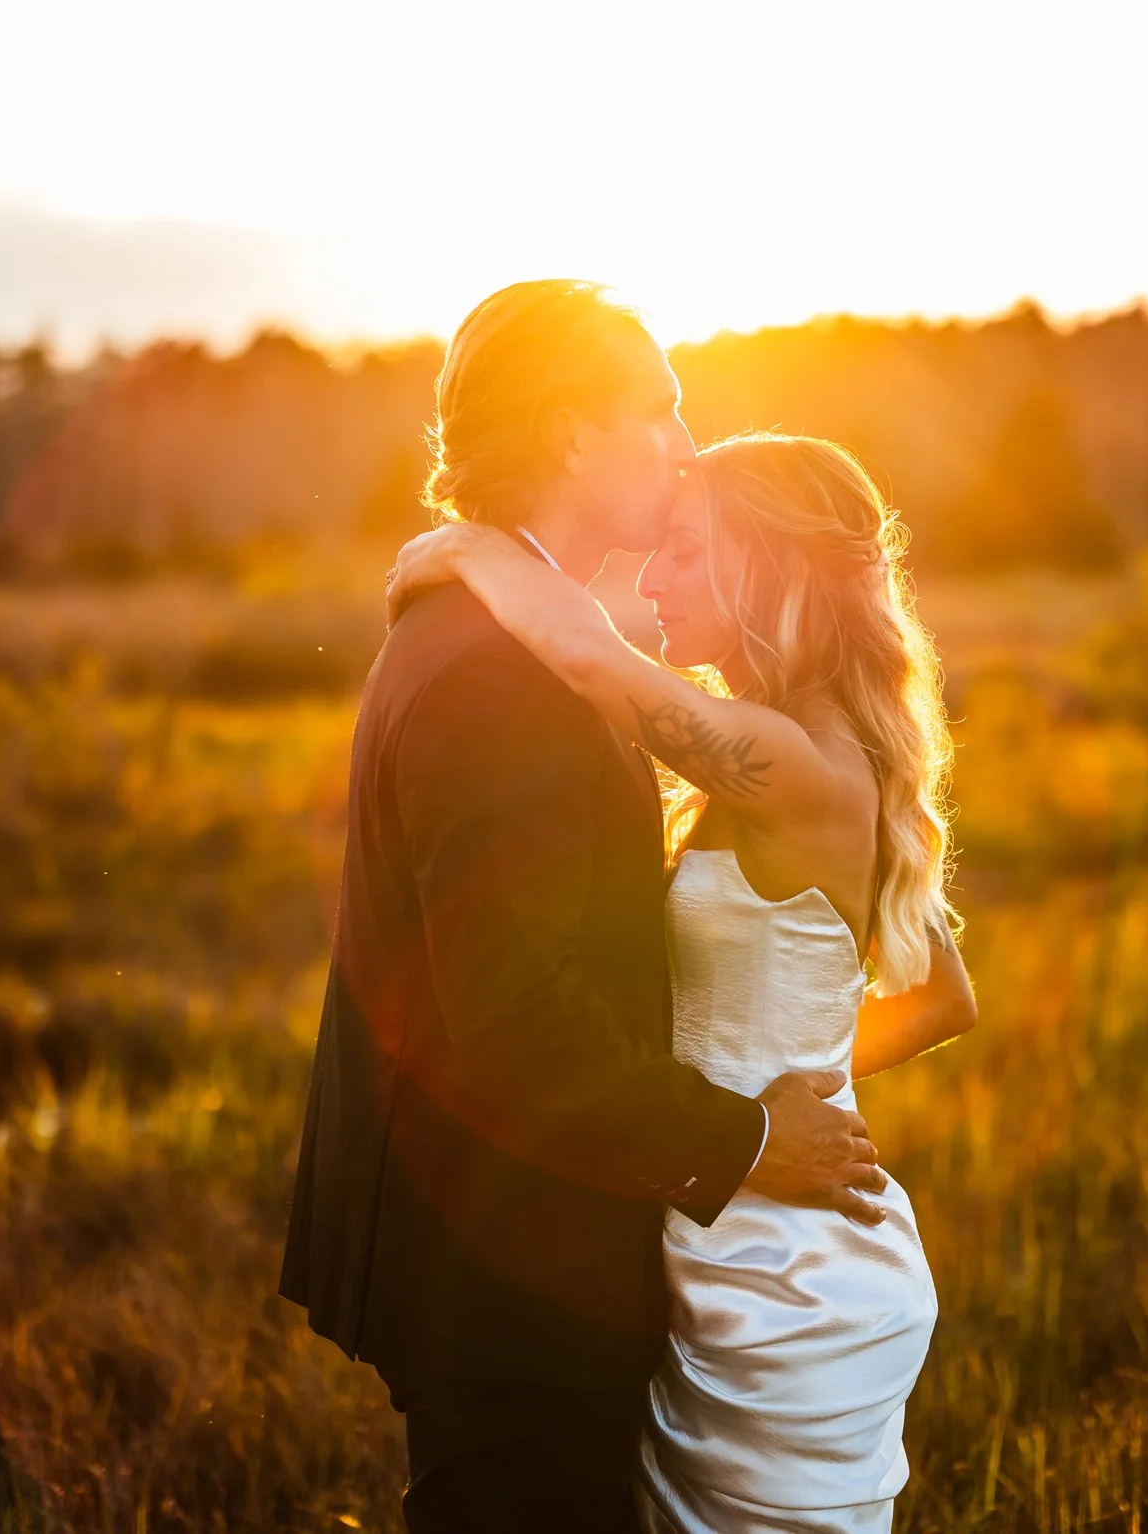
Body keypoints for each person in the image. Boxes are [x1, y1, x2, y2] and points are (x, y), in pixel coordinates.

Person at [278, 281, 892, 1534]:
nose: (680, 443)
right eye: (658, 408)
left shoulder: (503, 630)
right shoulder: (501, 672)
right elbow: (518, 1022)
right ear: (569, 433)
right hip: (511, 1276)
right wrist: (746, 1141)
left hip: (529, 1259)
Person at [386, 425, 980, 1531]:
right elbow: (946, 993)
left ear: (771, 561)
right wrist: (785, 1090)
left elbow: (588, 661)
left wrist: (462, 550)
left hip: (787, 1286)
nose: (652, 580)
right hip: (742, 1219)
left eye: (685, 551)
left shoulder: (795, 765)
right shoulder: (819, 746)